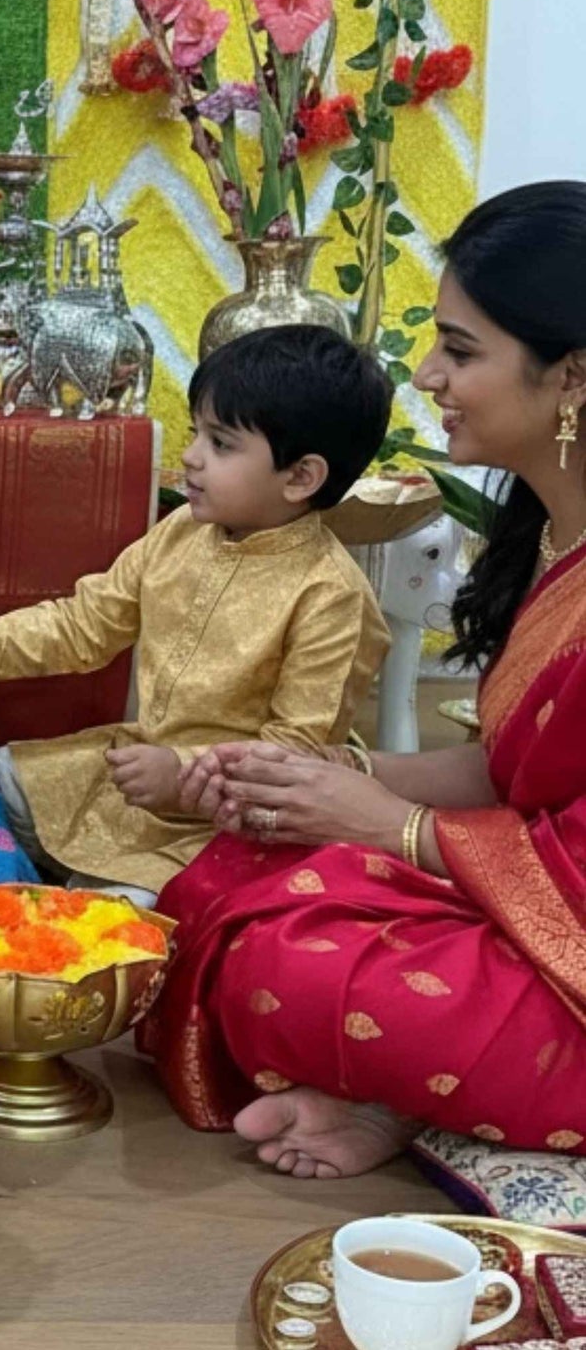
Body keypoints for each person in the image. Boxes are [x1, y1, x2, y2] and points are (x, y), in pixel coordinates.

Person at [144, 181, 586, 1180]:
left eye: (459, 351)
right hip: (528, 903)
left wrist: (382, 824)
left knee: (284, 967)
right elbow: (516, 772)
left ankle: (399, 1080)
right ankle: (399, 1093)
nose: (426, 374)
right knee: (230, 870)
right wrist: (319, 779)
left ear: (568, 377)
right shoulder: (555, 530)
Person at [0, 326, 392, 901]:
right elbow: (82, 625)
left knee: (115, 925)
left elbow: (295, 754)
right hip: (130, 771)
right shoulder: (181, 532)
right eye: (197, 434)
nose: (191, 457)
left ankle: (91, 896)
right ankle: (64, 888)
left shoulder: (332, 595)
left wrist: (182, 771)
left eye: (221, 444)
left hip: (226, 827)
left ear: (301, 477)